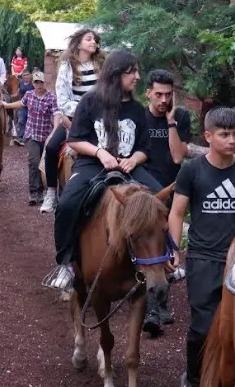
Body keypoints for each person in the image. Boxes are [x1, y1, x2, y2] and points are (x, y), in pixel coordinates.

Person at [168, 107, 235, 387]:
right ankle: (193, 378)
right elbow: (176, 212)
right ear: (208, 136)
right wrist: (174, 247)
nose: (233, 140)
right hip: (202, 258)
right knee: (201, 327)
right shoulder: (192, 170)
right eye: (225, 135)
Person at [45, 50, 163, 291]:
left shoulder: (137, 109)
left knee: (163, 197)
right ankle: (65, 264)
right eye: (133, 72)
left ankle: (165, 260)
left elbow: (145, 149)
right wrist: (100, 152)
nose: (138, 77)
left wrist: (133, 159)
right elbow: (75, 140)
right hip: (92, 165)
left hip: (128, 168)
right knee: (67, 204)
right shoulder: (90, 101)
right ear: (116, 74)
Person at [140, 69, 192, 335]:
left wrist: (171, 123)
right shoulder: (140, 117)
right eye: (158, 94)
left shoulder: (180, 117)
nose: (163, 100)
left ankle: (158, 305)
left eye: (168, 95)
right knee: (149, 247)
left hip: (171, 190)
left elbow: (177, 157)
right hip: (144, 192)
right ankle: (151, 307)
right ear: (148, 92)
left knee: (167, 246)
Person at [41, 28, 105, 214]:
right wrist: (83, 111)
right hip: (73, 119)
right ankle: (51, 192)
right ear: (78, 43)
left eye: (95, 40)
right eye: (89, 39)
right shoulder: (67, 67)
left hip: (101, 119)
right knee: (52, 147)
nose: (94, 42)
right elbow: (62, 100)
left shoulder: (101, 66)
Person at [3, 72, 60, 205]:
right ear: (33, 83)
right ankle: (34, 193)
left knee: (45, 165)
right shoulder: (29, 95)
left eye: (41, 82)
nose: (39, 85)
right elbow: (20, 103)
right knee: (33, 163)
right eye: (36, 82)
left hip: (46, 136)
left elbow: (57, 113)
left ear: (44, 83)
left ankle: (44, 191)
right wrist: (6, 105)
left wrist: (55, 132)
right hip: (33, 135)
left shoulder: (51, 98)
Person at [14, 71, 34, 146]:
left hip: (31, 106)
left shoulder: (32, 84)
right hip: (22, 105)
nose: (25, 76)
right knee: (21, 120)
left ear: (30, 76)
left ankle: (28, 138)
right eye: (24, 75)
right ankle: (20, 138)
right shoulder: (21, 83)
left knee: (30, 121)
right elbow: (18, 92)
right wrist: (13, 96)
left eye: (27, 75)